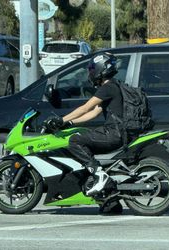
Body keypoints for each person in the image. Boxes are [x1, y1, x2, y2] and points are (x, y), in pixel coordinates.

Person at [45, 52, 124, 213]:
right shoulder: (113, 86)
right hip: (115, 132)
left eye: (92, 69)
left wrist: (62, 120)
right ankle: (109, 199)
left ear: (101, 69)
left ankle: (99, 176)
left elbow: (86, 107)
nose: (90, 73)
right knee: (82, 139)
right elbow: (93, 113)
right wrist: (71, 122)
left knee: (75, 141)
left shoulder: (107, 87)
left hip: (113, 133)